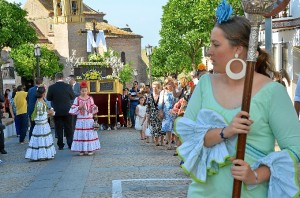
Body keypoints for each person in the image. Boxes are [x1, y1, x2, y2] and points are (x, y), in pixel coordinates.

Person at [174, 1, 300, 197]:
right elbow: (188, 138)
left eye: (216, 44)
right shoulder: (205, 85)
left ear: (238, 49)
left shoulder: (273, 92)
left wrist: (257, 175)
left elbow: (295, 148)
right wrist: (227, 131)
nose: (209, 51)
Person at [69, 81, 100, 156]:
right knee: (81, 135)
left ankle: (90, 149)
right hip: (80, 120)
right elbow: (72, 108)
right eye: (82, 91)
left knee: (89, 134)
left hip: (89, 119)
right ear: (80, 91)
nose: (84, 92)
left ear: (87, 91)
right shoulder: (77, 99)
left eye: (85, 91)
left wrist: (95, 107)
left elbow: (92, 107)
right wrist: (79, 107)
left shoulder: (90, 98)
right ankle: (81, 150)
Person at [25, 86, 56, 161]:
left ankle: (42, 154)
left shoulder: (40, 101)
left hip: (42, 124)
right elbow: (40, 115)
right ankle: (42, 155)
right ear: (43, 94)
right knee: (42, 138)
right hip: (42, 124)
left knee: (41, 138)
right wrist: (51, 113)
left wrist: (50, 113)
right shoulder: (40, 103)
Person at [47, 73, 75, 150]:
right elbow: (73, 96)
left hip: (57, 111)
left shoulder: (51, 87)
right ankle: (70, 143)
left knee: (58, 128)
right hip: (67, 110)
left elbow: (48, 98)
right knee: (69, 128)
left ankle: (60, 144)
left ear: (56, 78)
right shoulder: (68, 86)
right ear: (63, 77)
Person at [158, 77, 176, 149]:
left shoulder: (175, 91)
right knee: (168, 128)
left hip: (175, 111)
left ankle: (175, 142)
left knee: (174, 127)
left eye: (171, 83)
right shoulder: (163, 92)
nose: (169, 85)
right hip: (166, 112)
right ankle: (169, 143)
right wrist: (160, 111)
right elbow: (160, 103)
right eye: (168, 84)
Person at [145, 81, 162, 146]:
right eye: (153, 87)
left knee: (160, 127)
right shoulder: (149, 96)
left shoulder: (161, 95)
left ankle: (161, 140)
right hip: (153, 114)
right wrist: (147, 115)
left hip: (160, 113)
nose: (154, 88)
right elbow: (148, 106)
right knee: (154, 127)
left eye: (156, 87)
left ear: (158, 87)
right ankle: (156, 141)